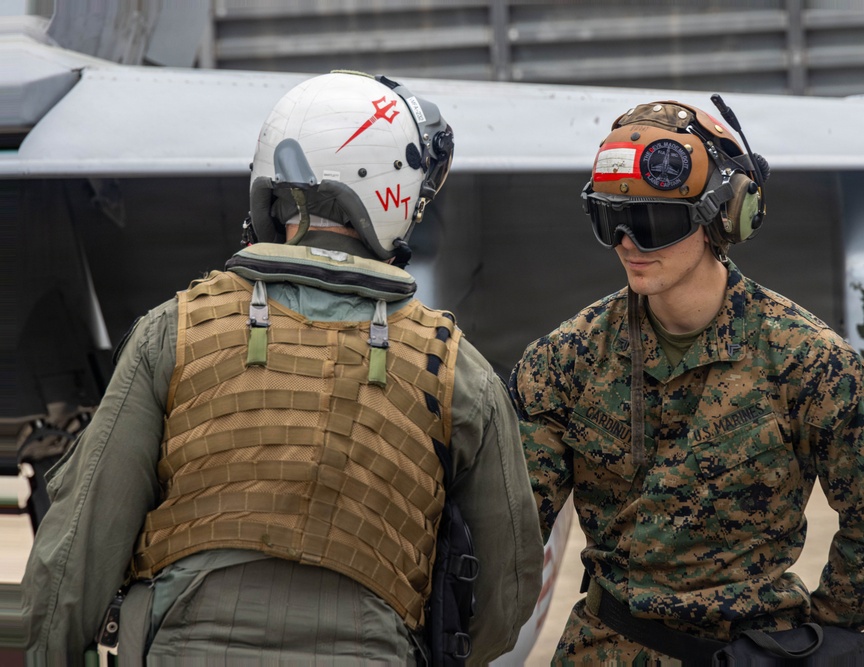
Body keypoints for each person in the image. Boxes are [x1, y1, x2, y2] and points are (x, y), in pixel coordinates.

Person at [22, 71, 542, 665]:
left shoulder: (176, 329)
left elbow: (76, 548)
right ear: (395, 192)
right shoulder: (456, 371)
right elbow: (510, 585)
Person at [508, 97, 864, 665]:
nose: (628, 243)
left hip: (754, 650)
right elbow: (510, 526)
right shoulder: (566, 361)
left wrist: (809, 641)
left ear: (721, 217)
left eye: (652, 222)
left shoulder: (807, 361)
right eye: (611, 221)